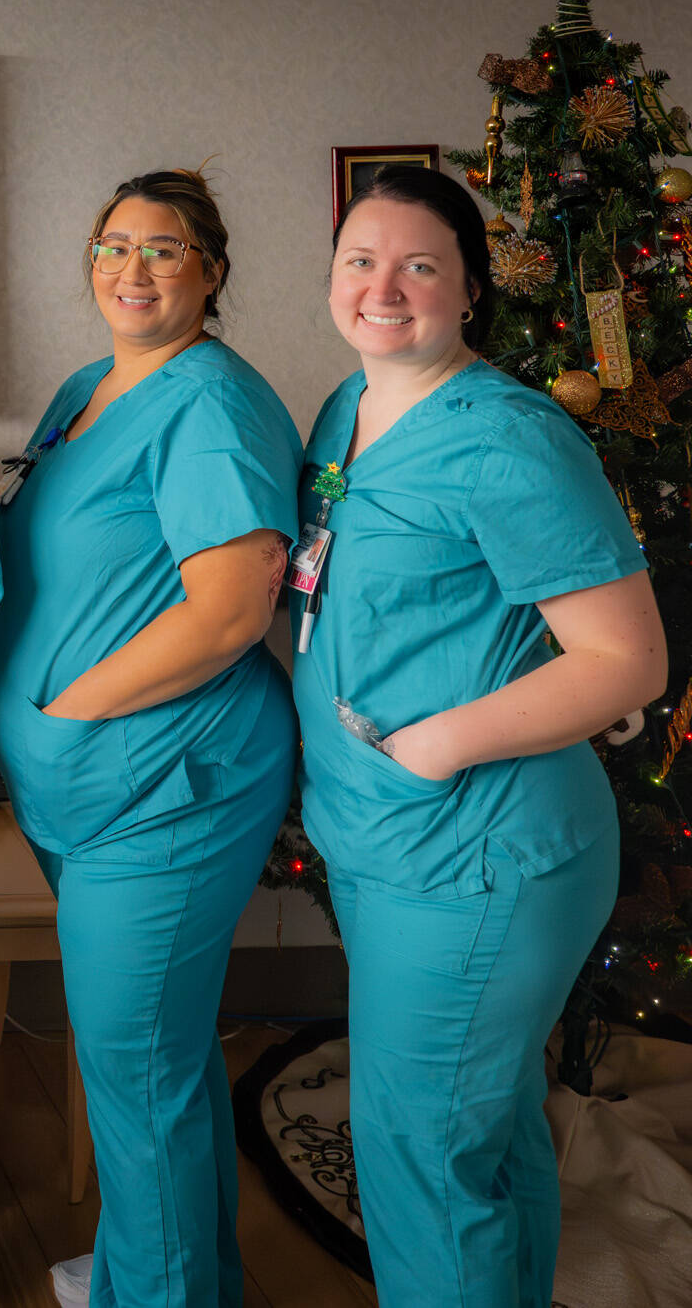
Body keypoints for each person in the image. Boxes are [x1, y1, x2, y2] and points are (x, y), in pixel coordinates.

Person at [292, 165, 664, 1308]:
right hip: (379, 843)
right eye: (360, 260)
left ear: (465, 291)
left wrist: (431, 748)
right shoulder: (341, 414)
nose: (382, 286)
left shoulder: (505, 435)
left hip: (477, 854)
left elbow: (624, 662)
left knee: (415, 1157)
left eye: (418, 265)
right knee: (487, 1132)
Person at [0, 168, 302, 1308]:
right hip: (88, 787)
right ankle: (173, 1267)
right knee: (152, 1060)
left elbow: (227, 610)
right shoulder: (89, 387)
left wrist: (68, 710)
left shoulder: (208, 401)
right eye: (112, 246)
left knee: (134, 1064)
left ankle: (155, 1290)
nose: (131, 270)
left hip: (167, 785)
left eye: (161, 250)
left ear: (209, 272)